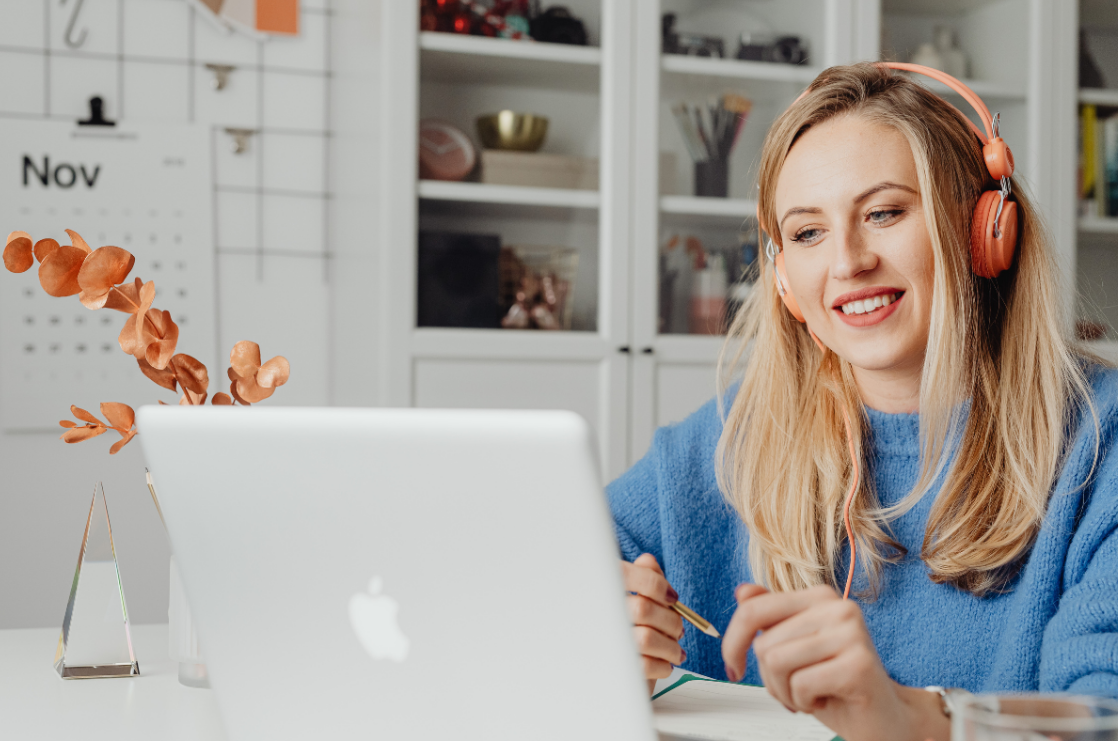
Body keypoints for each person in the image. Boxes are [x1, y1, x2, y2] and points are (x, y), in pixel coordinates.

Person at [609, 62, 1118, 741]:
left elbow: (1102, 714)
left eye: (883, 213)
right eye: (808, 232)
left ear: (983, 232)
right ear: (784, 278)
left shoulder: (1100, 440)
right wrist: (590, 641)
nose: (847, 261)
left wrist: (919, 721)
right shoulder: (725, 439)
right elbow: (525, 577)